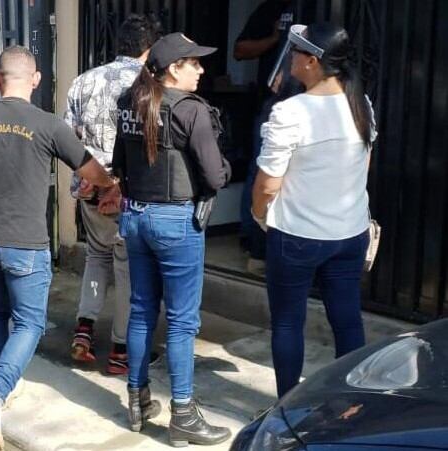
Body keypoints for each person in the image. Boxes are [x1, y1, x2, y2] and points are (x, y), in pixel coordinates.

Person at [0, 45, 119, 451]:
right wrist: (112, 183)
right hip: (25, 243)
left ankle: (1, 382)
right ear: (36, 79)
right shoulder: (49, 125)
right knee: (30, 323)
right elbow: (90, 169)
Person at [112, 32, 232, 447]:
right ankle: (182, 415)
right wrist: (227, 170)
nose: (201, 69)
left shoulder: (130, 102)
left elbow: (119, 163)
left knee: (142, 309)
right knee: (182, 320)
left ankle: (138, 400)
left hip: (135, 217)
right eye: (193, 63)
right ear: (173, 68)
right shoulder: (190, 109)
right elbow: (214, 176)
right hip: (175, 220)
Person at [252, 22, 377, 398]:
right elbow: (364, 166)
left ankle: (288, 406)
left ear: (312, 61)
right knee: (347, 320)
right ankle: (350, 404)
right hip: (349, 232)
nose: (290, 57)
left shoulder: (291, 111)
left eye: (296, 51)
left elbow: (267, 184)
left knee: (288, 324)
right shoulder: (360, 103)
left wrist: (260, 215)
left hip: (297, 235)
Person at [65, 14, 162, 374]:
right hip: (129, 192)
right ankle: (121, 350)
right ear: (149, 48)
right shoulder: (149, 85)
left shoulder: (83, 81)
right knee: (127, 269)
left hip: (90, 188)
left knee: (96, 255)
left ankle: (84, 329)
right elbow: (153, 145)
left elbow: (67, 138)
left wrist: (88, 178)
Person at [234, 0, 294, 275]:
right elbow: (240, 49)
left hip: (306, 106)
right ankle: (254, 240)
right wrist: (274, 39)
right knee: (262, 171)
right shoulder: (272, 8)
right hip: (270, 106)